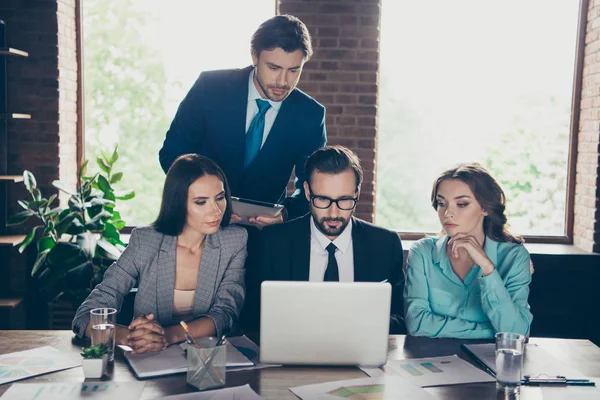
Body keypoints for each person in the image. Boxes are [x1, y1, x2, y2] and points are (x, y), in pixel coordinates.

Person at [158, 14, 326, 225]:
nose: (283, 81)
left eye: (293, 70)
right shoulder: (209, 88)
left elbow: (314, 186)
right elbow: (172, 153)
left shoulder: (310, 115)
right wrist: (207, 200)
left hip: (263, 237)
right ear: (255, 57)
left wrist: (285, 214)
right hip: (197, 226)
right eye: (274, 68)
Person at [72, 154, 247, 354]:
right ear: (178, 203)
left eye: (220, 197)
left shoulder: (234, 240)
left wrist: (168, 335)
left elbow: (225, 313)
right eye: (201, 202)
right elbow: (86, 316)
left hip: (208, 359)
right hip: (148, 357)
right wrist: (129, 337)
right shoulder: (145, 241)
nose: (216, 211)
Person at [254, 146, 405, 333]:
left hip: (361, 355)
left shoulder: (385, 244)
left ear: (357, 192)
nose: (334, 213)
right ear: (308, 192)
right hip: (294, 355)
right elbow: (253, 318)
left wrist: (361, 322)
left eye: (344, 200)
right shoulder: (273, 243)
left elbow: (401, 318)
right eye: (323, 200)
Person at [403, 163, 533, 339]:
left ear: (485, 208)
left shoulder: (515, 257)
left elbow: (515, 332)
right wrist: (491, 332)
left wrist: (488, 269)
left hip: (493, 363)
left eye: (462, 204)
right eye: (442, 203)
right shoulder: (422, 252)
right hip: (431, 360)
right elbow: (417, 324)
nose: (448, 213)